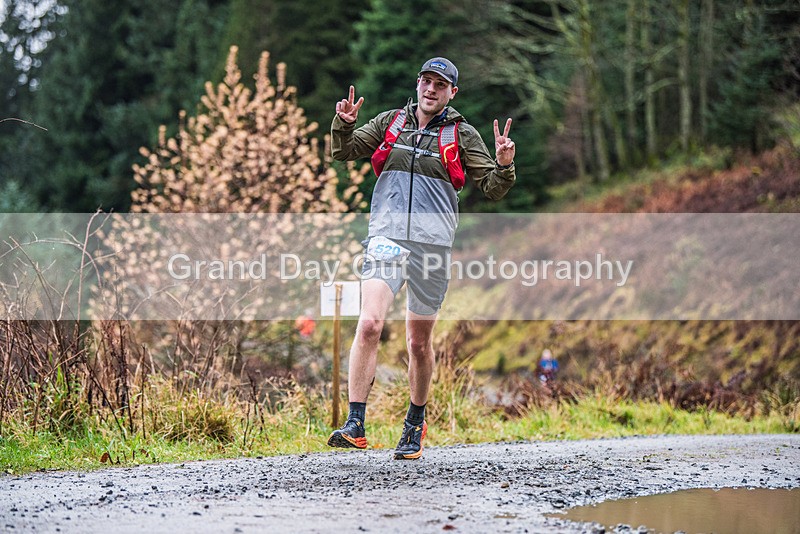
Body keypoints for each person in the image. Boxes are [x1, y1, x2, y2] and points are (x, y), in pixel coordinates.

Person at [327, 57, 516, 460]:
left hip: (432, 249)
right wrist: (343, 123)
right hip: (386, 239)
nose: (431, 89)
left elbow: (493, 188)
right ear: (418, 84)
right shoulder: (389, 123)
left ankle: (415, 422)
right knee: (370, 324)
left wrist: (503, 164)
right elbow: (343, 152)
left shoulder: (461, 134)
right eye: (426, 81)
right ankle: (356, 422)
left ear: (452, 93)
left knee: (418, 343)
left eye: (440, 84)